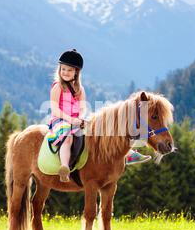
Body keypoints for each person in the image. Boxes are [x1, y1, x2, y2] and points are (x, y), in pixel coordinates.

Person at [48, 49, 151, 182]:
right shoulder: (58, 87)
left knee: (103, 134)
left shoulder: (79, 89)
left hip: (76, 121)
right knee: (67, 138)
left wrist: (80, 118)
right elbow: (55, 108)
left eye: (69, 70)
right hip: (60, 120)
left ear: (76, 72)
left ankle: (129, 155)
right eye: (63, 69)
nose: (65, 72)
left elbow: (83, 107)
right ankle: (64, 167)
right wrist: (70, 119)